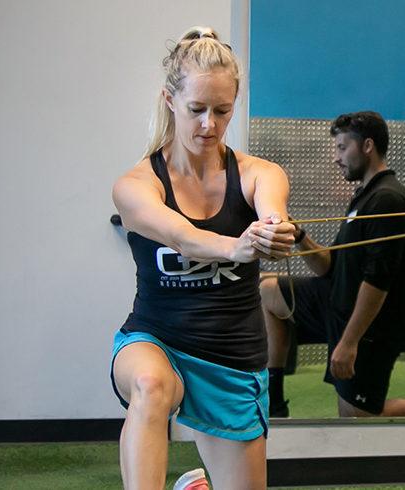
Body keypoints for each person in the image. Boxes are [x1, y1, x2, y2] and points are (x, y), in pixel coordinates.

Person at [110, 26, 296, 489]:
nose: (209, 125)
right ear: (170, 100)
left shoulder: (259, 173)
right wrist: (235, 246)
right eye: (197, 110)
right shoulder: (135, 186)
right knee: (151, 388)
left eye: (221, 110)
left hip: (233, 355)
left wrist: (274, 230)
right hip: (156, 340)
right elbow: (183, 236)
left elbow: (273, 209)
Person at [259, 111, 405, 418]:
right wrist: (299, 234)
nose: (336, 157)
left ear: (367, 146)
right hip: (337, 302)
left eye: (343, 148)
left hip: (373, 326)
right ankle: (274, 404)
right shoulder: (364, 197)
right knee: (268, 292)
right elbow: (329, 265)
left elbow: (378, 282)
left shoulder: (388, 200)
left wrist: (348, 343)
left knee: (355, 418)